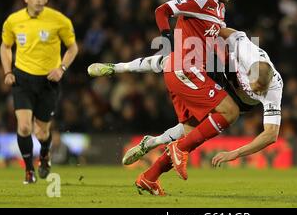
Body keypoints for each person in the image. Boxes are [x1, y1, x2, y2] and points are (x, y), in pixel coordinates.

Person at [88, 27, 284, 195]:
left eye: (259, 91)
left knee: (193, 131)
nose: (255, 90)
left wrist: (235, 153)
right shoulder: (245, 49)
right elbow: (223, 31)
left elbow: (271, 135)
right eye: (253, 86)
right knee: (173, 61)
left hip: (239, 102)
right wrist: (204, 39)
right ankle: (117, 67)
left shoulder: (274, 89)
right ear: (248, 70)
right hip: (223, 73)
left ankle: (154, 147)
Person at [0, 0, 78, 184]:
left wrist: (61, 68)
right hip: (23, 78)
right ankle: (28, 170)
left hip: (47, 82)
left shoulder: (59, 20)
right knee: (24, 127)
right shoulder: (13, 21)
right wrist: (7, 71)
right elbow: (5, 46)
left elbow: (73, 48)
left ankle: (44, 154)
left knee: (41, 132)